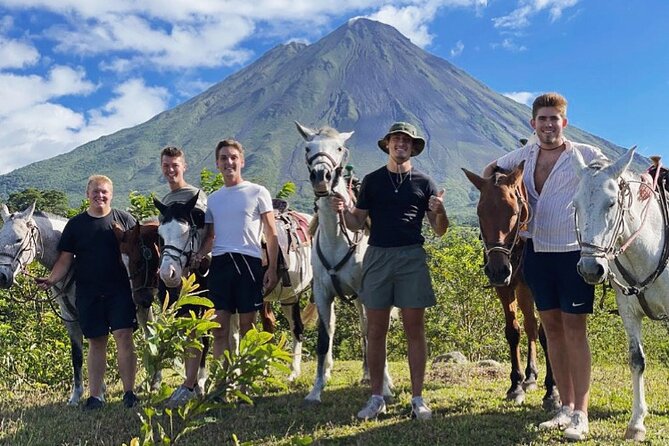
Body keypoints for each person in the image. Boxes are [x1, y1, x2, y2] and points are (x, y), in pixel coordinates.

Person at [482, 93, 602, 441]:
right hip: (535, 251)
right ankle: (564, 407)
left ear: (564, 122)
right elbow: (490, 169)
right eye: (542, 119)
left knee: (575, 331)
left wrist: (638, 189)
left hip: (572, 253)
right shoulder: (523, 155)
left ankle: (581, 412)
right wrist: (495, 190)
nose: (548, 125)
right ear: (532, 124)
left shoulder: (585, 154)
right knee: (551, 329)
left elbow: (613, 176)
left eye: (554, 119)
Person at [331, 122, 449, 421]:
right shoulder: (372, 181)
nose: (401, 145)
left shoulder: (425, 182)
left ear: (412, 148)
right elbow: (357, 223)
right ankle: (376, 397)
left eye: (406, 142)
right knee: (375, 330)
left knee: (414, 330)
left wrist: (439, 211)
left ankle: (418, 398)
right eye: (396, 140)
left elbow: (440, 231)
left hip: (412, 257)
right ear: (388, 145)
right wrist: (342, 210)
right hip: (377, 256)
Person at [36, 175, 139, 410]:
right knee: (96, 341)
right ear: (87, 194)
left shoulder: (125, 219)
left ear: (111, 194)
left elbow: (138, 254)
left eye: (104, 192)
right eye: (95, 192)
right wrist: (51, 279)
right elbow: (64, 259)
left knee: (124, 337)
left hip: (120, 290)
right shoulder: (76, 225)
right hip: (88, 292)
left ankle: (129, 393)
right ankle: (95, 397)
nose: (99, 196)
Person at [194, 139, 278, 361]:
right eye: (223, 158)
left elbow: (271, 233)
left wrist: (272, 268)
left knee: (247, 327)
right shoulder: (213, 200)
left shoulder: (258, 192)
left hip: (249, 263)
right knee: (219, 328)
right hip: (220, 265)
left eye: (233, 157)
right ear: (217, 164)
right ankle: (222, 384)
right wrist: (199, 255)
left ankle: (244, 385)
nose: (228, 162)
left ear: (242, 161)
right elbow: (210, 237)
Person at [158, 146, 209, 408]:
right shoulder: (166, 201)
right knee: (188, 326)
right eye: (166, 165)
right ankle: (193, 381)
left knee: (201, 326)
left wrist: (199, 257)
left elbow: (207, 231)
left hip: (200, 272)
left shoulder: (197, 197)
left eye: (174, 165)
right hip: (179, 272)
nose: (170, 169)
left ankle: (197, 380)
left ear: (184, 166)